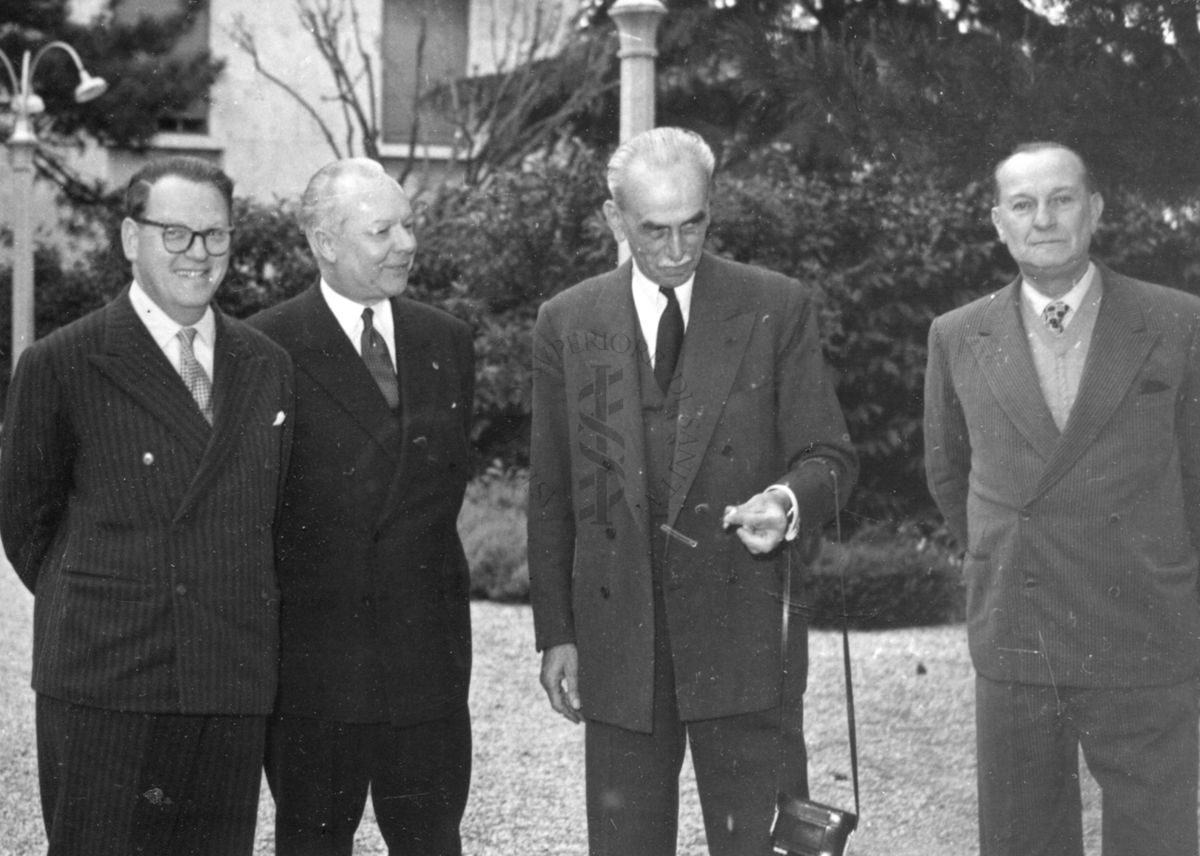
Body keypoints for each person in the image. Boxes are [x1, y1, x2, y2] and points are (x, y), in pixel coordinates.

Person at [527, 126, 858, 856]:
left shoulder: (776, 305)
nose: (678, 250)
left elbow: (830, 453)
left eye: (694, 225)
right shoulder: (568, 321)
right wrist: (556, 632)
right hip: (621, 645)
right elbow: (551, 492)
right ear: (616, 221)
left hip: (742, 639)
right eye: (655, 230)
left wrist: (787, 501)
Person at [0, 155, 293, 856]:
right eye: (176, 233)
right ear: (130, 238)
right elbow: (27, 523)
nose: (199, 254)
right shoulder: (62, 362)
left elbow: (274, 516)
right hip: (107, 678)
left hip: (226, 678)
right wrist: (121, 595)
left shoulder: (267, 363)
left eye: (216, 235)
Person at [924, 141, 1200, 856]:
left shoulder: (1177, 322)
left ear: (1095, 209)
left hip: (1141, 626)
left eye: (1062, 199)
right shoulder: (957, 335)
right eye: (1023, 204)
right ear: (998, 222)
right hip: (1021, 628)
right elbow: (950, 474)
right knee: (1023, 841)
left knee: (1156, 836)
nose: (1043, 218)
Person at [248, 158, 474, 856]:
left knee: (432, 840)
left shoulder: (447, 340)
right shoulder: (263, 347)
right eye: (383, 230)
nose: (406, 243)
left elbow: (441, 494)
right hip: (317, 675)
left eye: (408, 224)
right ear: (325, 243)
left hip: (426, 666)